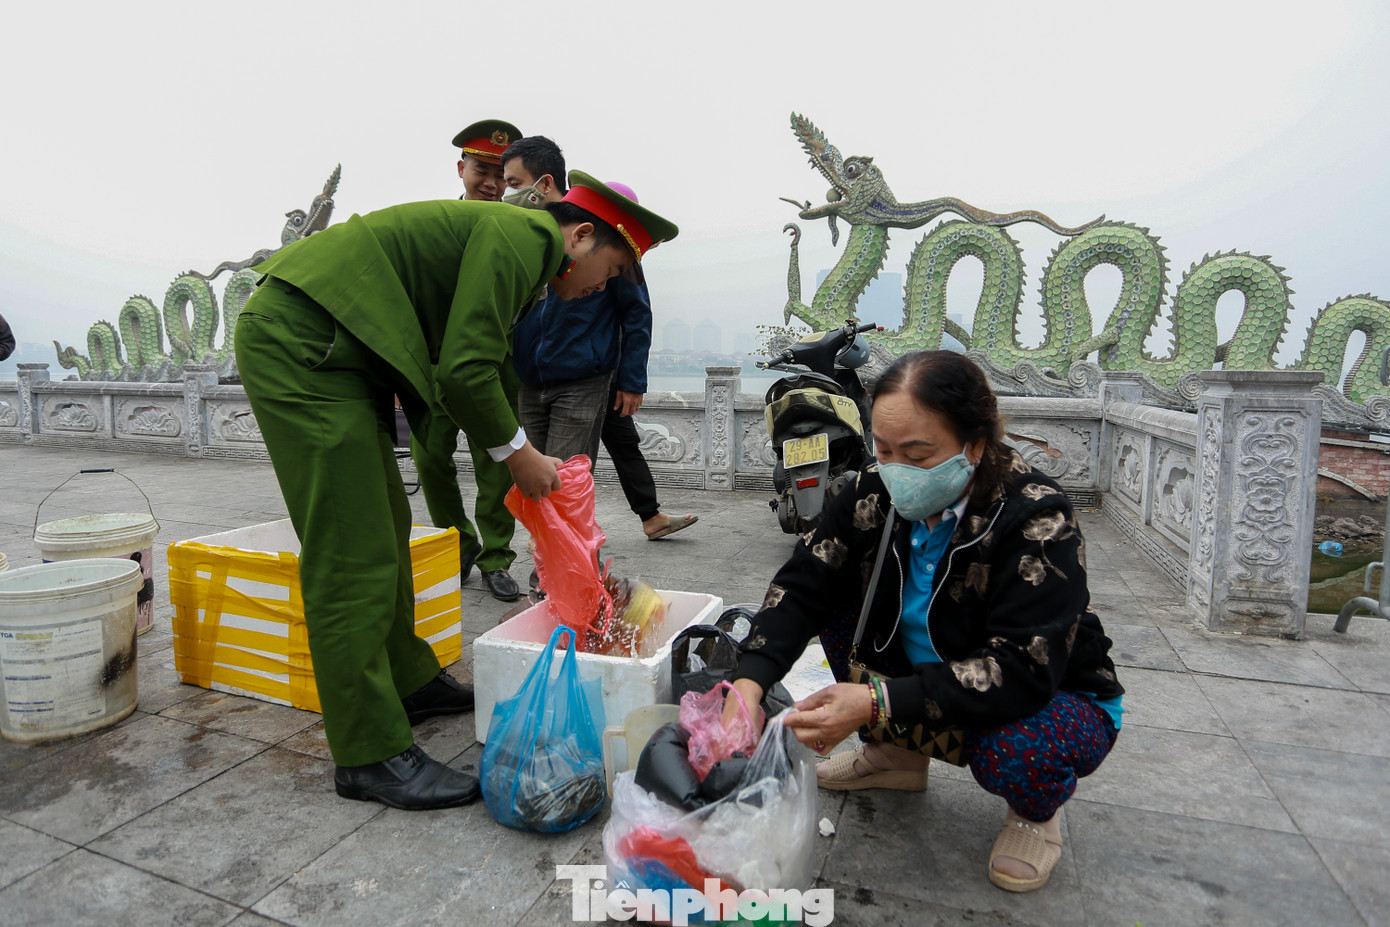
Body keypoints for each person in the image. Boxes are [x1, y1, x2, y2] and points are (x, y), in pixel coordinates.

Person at [235, 174, 678, 809]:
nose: (599, 289)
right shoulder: (523, 234)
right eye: (607, 273)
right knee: (350, 548)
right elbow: (465, 369)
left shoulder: (523, 268)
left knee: (383, 526)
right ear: (580, 237)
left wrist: (528, 455)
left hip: (338, 351)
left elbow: (489, 368)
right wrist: (519, 455)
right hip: (306, 343)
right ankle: (368, 753)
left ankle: (408, 681)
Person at [727, 350, 1123, 892]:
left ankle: (1035, 814)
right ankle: (896, 756)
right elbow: (804, 581)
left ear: (975, 445)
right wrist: (749, 680)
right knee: (834, 606)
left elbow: (1021, 670)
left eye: (918, 454)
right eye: (884, 449)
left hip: (1044, 691)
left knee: (1018, 750)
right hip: (923, 668)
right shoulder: (875, 487)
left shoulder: (1036, 515)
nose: (897, 473)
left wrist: (874, 702)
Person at [502, 140, 697, 541]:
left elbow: (637, 315)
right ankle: (555, 562)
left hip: (583, 376)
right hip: (531, 378)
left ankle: (565, 571)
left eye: (515, 182)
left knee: (566, 478)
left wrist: (631, 380)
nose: (509, 191)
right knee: (536, 479)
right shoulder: (528, 242)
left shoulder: (609, 254)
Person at [410, 119, 528, 601]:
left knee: (497, 460)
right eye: (482, 169)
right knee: (430, 457)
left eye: (502, 174)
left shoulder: (519, 226)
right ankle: (457, 540)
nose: (492, 183)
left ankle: (496, 556)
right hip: (434, 364)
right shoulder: (434, 223)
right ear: (462, 168)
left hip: (498, 363)